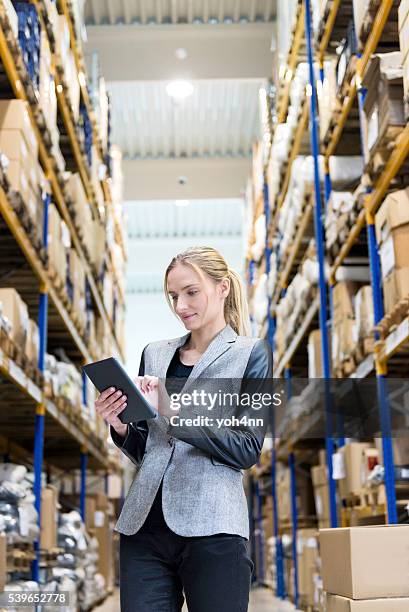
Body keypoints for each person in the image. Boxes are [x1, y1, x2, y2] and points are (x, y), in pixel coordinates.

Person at [95, 246, 272, 612]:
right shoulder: (154, 354)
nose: (180, 306)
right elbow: (149, 448)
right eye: (173, 296)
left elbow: (247, 448)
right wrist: (121, 427)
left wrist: (176, 414)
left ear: (222, 288)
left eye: (191, 292)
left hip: (213, 527)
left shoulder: (250, 354)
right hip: (145, 527)